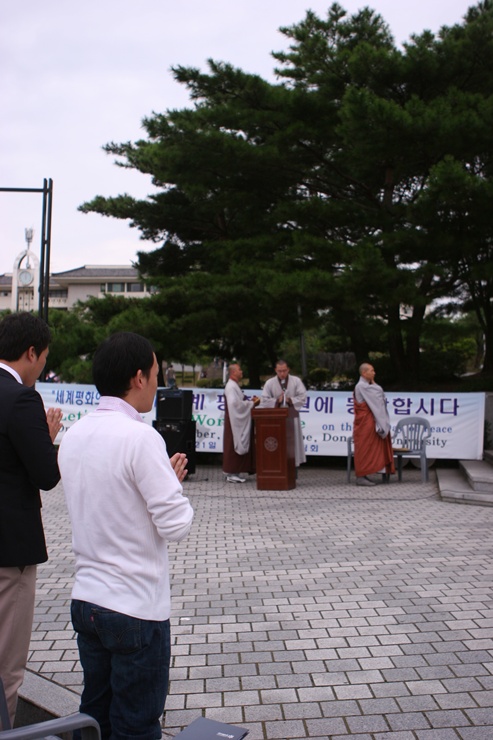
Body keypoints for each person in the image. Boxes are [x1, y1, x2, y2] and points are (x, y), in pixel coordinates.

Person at [58, 332, 194, 740]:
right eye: (156, 373)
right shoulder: (141, 437)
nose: (158, 382)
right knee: (136, 724)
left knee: (94, 716)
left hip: (87, 601)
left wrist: (159, 484)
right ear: (138, 378)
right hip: (134, 607)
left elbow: (112, 500)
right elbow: (176, 524)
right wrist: (170, 485)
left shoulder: (75, 434)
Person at [0, 312, 62, 727]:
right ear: (31, 352)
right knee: (6, 664)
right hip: (9, 551)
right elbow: (46, 475)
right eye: (43, 359)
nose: (41, 368)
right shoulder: (21, 399)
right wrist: (47, 438)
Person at [353, 362, 395, 486]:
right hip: (366, 422)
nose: (374, 373)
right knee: (365, 447)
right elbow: (379, 393)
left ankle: (379, 472)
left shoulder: (367, 385)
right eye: (371, 371)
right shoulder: (362, 386)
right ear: (364, 373)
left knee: (375, 447)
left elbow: (379, 397)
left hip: (371, 421)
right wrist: (375, 384)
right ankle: (361, 477)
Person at [261, 360, 307, 466]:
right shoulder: (270, 383)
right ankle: (277, 465)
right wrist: (278, 401)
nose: (282, 373)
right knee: (277, 441)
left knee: (293, 441)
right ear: (275, 370)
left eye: (284, 370)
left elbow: (303, 397)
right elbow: (264, 400)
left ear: (288, 369)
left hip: (292, 416)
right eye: (279, 371)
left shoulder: (296, 381)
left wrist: (289, 400)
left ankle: (293, 465)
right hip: (276, 418)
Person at [222, 363, 260, 483]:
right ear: (233, 372)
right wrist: (251, 404)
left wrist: (249, 402)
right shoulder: (231, 386)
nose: (241, 371)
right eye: (239, 370)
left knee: (234, 444)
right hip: (233, 421)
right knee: (232, 444)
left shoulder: (234, 385)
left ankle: (235, 472)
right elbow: (235, 404)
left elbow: (238, 401)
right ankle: (232, 473)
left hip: (235, 419)